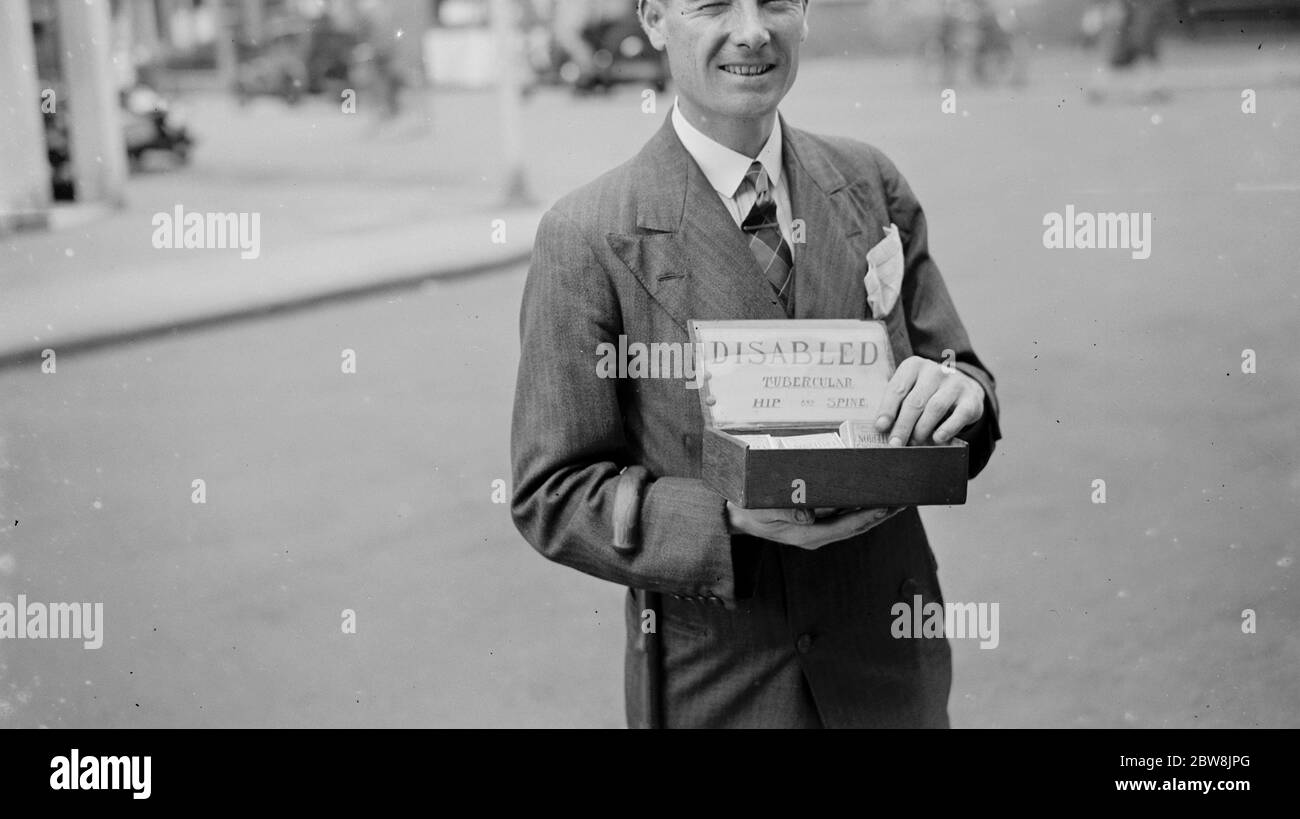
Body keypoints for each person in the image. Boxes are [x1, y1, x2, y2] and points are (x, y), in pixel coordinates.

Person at [511, 0, 1001, 728]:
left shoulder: (868, 183)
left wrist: (959, 395)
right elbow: (551, 491)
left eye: (775, 1)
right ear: (652, 18)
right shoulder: (588, 233)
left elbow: (959, 374)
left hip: (888, 657)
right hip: (724, 680)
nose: (751, 30)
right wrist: (726, 517)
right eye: (712, 4)